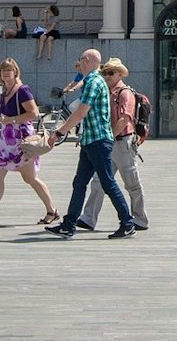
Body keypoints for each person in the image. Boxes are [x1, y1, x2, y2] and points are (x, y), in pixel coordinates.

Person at [44, 48, 138, 239]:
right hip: (91, 140)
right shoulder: (90, 81)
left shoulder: (94, 82)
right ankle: (68, 225)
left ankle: (128, 223)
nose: (79, 64)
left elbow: (81, 112)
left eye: (81, 60)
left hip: (99, 141)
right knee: (80, 183)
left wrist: (60, 131)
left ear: (87, 60)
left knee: (108, 183)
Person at [0, 58, 59, 228]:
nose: (6, 73)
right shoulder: (5, 92)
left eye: (9, 70)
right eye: (3, 70)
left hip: (21, 141)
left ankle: (52, 210)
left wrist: (11, 120)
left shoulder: (22, 91)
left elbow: (34, 113)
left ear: (15, 72)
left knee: (30, 178)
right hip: (6, 142)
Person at [76, 58, 148, 231]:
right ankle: (88, 218)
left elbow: (124, 120)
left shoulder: (125, 93)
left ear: (120, 74)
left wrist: (108, 137)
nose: (107, 76)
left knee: (132, 183)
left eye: (111, 72)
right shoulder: (106, 91)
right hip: (109, 142)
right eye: (105, 72)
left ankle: (140, 219)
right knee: (98, 182)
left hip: (122, 142)